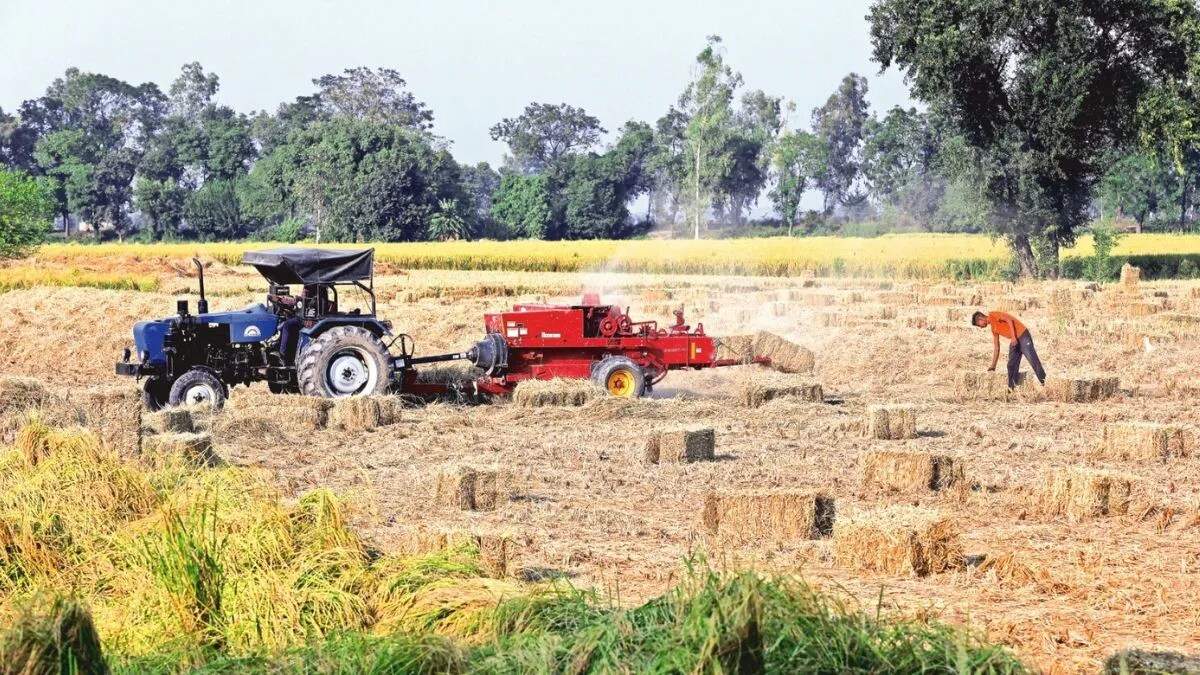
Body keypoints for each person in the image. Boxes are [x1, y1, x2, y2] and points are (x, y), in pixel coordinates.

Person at [972, 310, 1046, 389]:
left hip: (1023, 335)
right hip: (1015, 340)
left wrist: (1013, 337)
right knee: (1011, 365)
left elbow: (1009, 320)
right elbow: (997, 347)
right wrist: (993, 366)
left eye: (978, 325)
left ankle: (1044, 383)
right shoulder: (993, 329)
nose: (980, 327)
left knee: (1033, 360)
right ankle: (1012, 389)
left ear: (980, 319)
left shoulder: (993, 314)